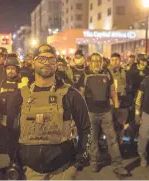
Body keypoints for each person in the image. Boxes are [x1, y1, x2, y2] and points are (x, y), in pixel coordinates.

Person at [8, 44, 92, 180]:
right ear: (33, 62)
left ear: (56, 64)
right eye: (41, 59)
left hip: (63, 171)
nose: (46, 63)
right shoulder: (19, 96)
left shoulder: (71, 95)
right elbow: (11, 132)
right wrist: (15, 161)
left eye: (51, 59)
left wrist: (78, 163)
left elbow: (87, 129)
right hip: (30, 171)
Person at [77, 52, 128, 176]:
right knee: (93, 140)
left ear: (101, 62)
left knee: (112, 139)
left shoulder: (107, 73)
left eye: (98, 60)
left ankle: (118, 165)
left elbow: (113, 92)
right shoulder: (85, 75)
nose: (96, 63)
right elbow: (81, 95)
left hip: (106, 112)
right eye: (93, 60)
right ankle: (94, 163)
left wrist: (116, 109)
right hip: (91, 113)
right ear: (89, 62)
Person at [0, 54, 29, 158]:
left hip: (20, 120)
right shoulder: (3, 81)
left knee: (20, 145)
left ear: (17, 69)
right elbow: (1, 99)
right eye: (8, 68)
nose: (10, 71)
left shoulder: (24, 81)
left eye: (12, 68)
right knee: (10, 145)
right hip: (6, 120)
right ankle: (12, 163)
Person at [109, 53, 128, 144]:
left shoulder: (125, 72)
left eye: (116, 59)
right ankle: (111, 147)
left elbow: (128, 87)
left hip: (123, 104)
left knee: (121, 126)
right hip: (111, 104)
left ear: (120, 60)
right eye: (112, 60)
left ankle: (119, 145)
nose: (114, 61)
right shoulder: (106, 72)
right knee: (111, 126)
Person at [135, 73, 149, 167]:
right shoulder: (145, 82)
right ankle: (142, 156)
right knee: (143, 136)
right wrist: (137, 114)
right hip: (147, 113)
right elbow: (138, 99)